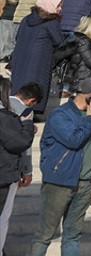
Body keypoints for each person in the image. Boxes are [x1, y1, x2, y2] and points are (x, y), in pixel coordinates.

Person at [27, 76, 91, 256]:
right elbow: (74, 140)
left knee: (72, 236)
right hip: (59, 183)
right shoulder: (60, 115)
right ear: (90, 96)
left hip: (85, 184)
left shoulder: (90, 116)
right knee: (44, 234)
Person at [9, 0, 67, 115]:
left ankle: (16, 107)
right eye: (58, 6)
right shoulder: (51, 22)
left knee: (19, 81)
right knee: (37, 83)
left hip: (20, 55)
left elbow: (17, 36)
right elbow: (59, 41)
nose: (60, 9)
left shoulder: (26, 19)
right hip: (40, 57)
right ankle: (34, 109)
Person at [0, 78, 37, 247]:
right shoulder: (10, 116)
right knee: (3, 218)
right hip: (5, 174)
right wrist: (27, 125)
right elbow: (20, 143)